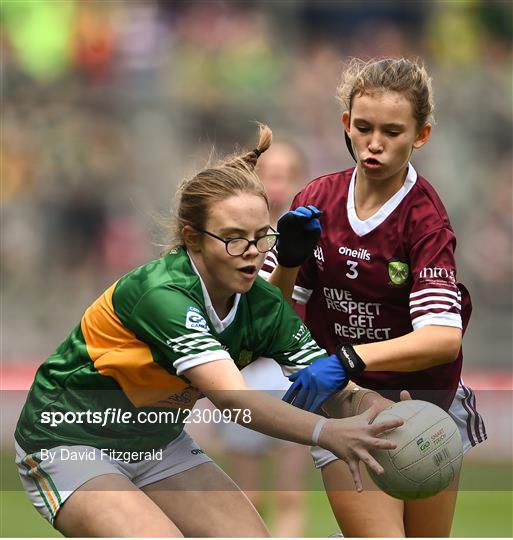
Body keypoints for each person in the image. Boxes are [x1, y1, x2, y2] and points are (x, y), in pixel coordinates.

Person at [14, 124, 403, 538]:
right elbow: (235, 401)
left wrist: (375, 409)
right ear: (192, 239)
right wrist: (328, 433)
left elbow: (336, 390)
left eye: (260, 238)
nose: (251, 253)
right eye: (234, 239)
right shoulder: (161, 294)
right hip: (69, 440)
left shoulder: (262, 302)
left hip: (156, 443)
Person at [265, 58, 487, 537]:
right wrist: (286, 260)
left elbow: (442, 339)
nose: (375, 143)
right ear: (346, 123)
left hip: (424, 405)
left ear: (421, 135)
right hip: (348, 404)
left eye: (393, 131)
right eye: (363, 128)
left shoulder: (424, 220)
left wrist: (345, 358)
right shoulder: (317, 199)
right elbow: (267, 312)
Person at [217, 142, 310, 537]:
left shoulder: (312, 240)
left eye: (286, 175)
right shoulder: (233, 241)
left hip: (293, 377)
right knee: (248, 495)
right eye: (269, 174)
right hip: (245, 378)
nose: (276, 184)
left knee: (290, 494)